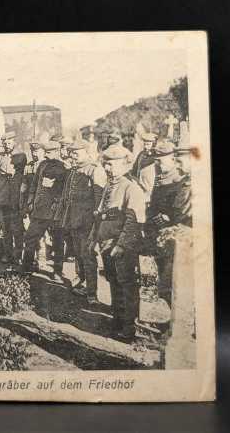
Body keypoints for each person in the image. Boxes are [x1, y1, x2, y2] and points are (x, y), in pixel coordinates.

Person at [92, 145, 145, 341]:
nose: (107, 168)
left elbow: (132, 222)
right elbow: (100, 216)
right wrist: (93, 239)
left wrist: (121, 245)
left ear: (124, 164)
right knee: (114, 283)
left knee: (127, 285)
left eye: (111, 164)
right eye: (105, 164)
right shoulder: (109, 186)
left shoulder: (131, 188)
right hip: (107, 245)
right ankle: (117, 321)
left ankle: (129, 327)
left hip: (121, 247)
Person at [58, 140, 107, 304]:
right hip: (73, 219)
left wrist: (95, 223)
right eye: (71, 152)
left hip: (87, 222)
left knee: (88, 256)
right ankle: (83, 282)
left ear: (86, 152)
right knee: (78, 253)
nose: (72, 155)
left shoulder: (94, 170)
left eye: (76, 152)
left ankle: (92, 293)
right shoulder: (73, 171)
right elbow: (66, 197)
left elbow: (99, 200)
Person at [144, 141, 192, 306]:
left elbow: (181, 212)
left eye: (160, 160)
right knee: (162, 275)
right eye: (156, 160)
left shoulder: (178, 179)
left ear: (171, 158)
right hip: (158, 232)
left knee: (171, 280)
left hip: (172, 234)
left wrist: (167, 218)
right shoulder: (160, 176)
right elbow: (153, 203)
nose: (156, 164)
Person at [21, 141, 68, 282]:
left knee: (58, 243)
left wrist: (56, 199)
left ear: (57, 151)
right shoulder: (42, 165)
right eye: (45, 152)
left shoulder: (64, 168)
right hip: (40, 210)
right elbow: (34, 185)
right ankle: (27, 267)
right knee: (30, 238)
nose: (46, 155)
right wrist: (30, 201)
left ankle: (57, 272)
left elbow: (65, 191)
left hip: (55, 212)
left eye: (49, 153)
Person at [0, 132, 18, 263]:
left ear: (14, 143)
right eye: (5, 144)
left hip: (17, 199)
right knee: (6, 228)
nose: (7, 146)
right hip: (3, 198)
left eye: (9, 143)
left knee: (18, 228)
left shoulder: (21, 157)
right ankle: (8, 254)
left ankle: (19, 255)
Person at [130, 132, 158, 204]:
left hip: (150, 185)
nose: (145, 146)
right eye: (144, 144)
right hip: (139, 183)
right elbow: (135, 168)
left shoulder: (156, 155)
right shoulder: (141, 154)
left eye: (148, 144)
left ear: (153, 144)